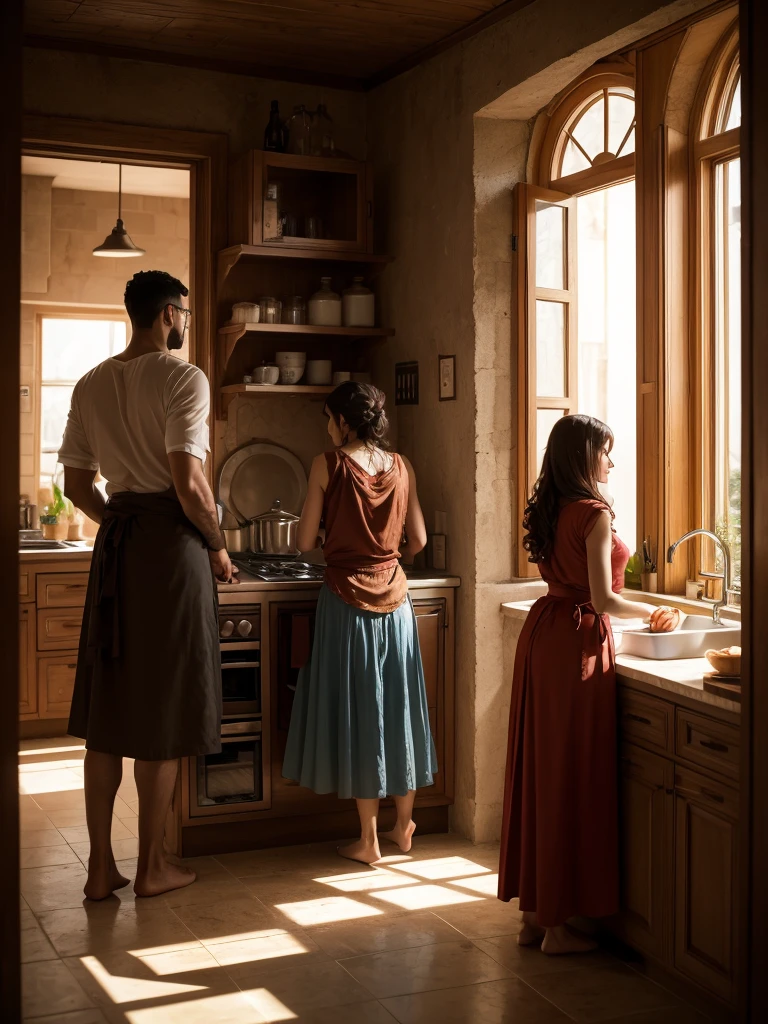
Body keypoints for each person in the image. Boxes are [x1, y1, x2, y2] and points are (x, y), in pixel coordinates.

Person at [59, 270, 237, 901]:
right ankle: (154, 866)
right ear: (168, 314)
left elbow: (77, 485)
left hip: (120, 545)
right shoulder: (183, 378)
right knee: (162, 709)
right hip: (171, 547)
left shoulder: (91, 382)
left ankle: (100, 869)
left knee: (110, 708)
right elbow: (190, 485)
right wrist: (217, 547)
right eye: (184, 313)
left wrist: (119, 523)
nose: (184, 322)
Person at [498, 414, 680, 954]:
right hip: (575, 643)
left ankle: (534, 916)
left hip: (542, 633)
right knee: (569, 776)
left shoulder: (553, 506)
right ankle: (556, 927)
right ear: (584, 457)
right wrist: (657, 608)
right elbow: (603, 600)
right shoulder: (596, 513)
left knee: (542, 772)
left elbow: (571, 585)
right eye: (605, 452)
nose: (611, 462)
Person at [282, 381, 437, 864]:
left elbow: (305, 540)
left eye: (330, 419)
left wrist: (335, 532)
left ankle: (367, 840)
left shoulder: (326, 464)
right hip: (396, 603)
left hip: (346, 605)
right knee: (399, 707)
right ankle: (403, 824)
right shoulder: (402, 465)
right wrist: (383, 553)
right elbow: (419, 539)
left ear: (345, 421)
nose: (327, 428)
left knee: (361, 715)